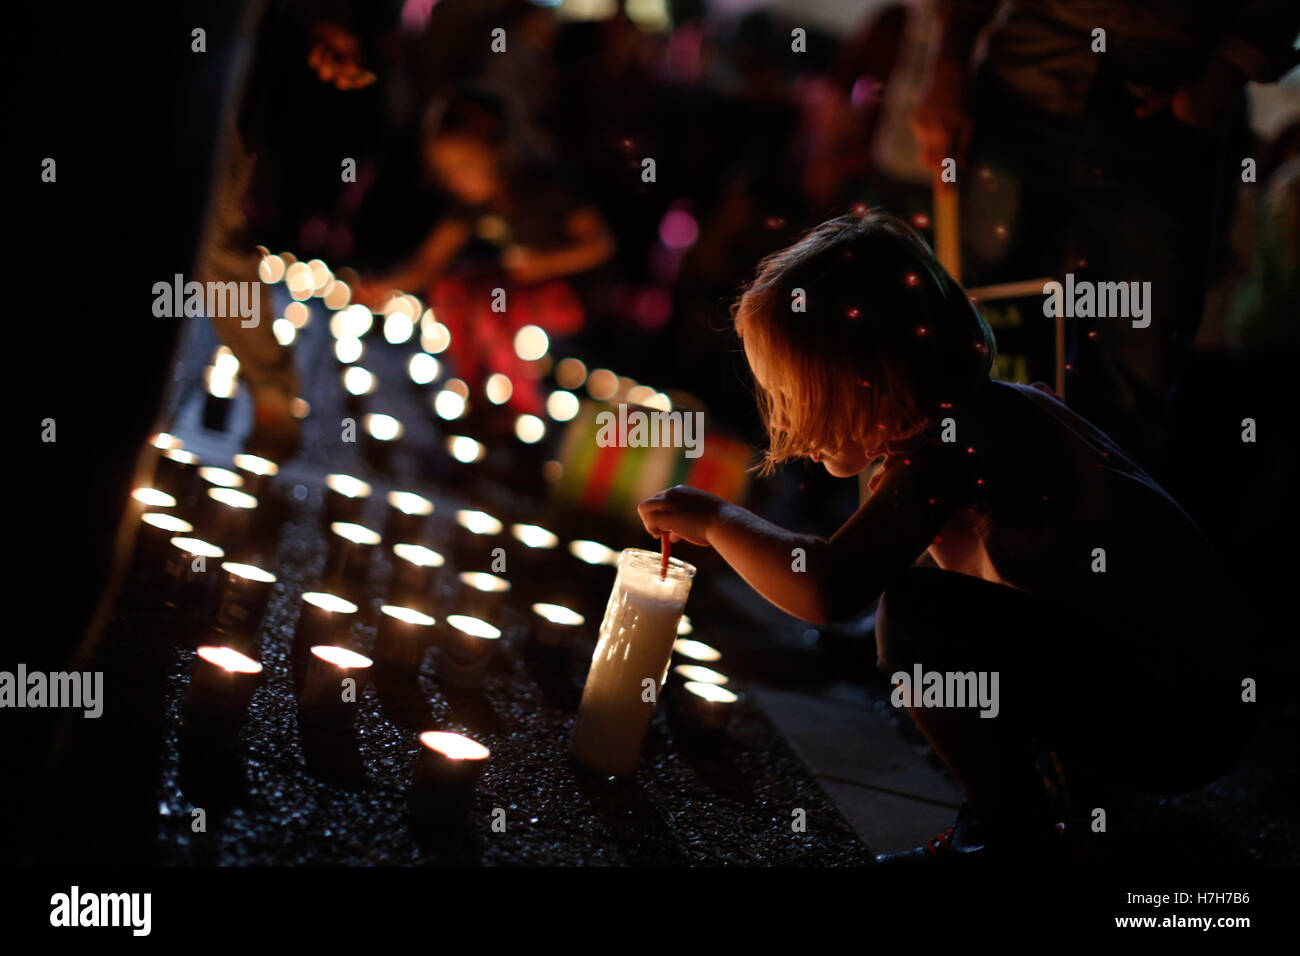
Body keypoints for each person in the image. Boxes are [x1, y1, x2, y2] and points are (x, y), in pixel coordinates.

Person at [637, 212, 1256, 863]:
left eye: (795, 391)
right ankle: (1071, 814)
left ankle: (1013, 832)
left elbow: (830, 585)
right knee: (962, 615)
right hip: (1181, 694)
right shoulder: (985, 414)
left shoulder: (951, 444)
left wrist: (716, 521)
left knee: (919, 616)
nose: (786, 415)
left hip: (1184, 714)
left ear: (863, 373)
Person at [910, 0, 1300, 477]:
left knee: (1133, 386)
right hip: (1026, 86)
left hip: (1169, 111)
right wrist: (948, 63)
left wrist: (1227, 70)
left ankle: (1089, 540)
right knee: (966, 346)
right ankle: (956, 523)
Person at [355, 87, 614, 405]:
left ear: (499, 151)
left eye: (464, 167)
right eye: (445, 172)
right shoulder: (470, 203)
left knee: (491, 307)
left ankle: (520, 407)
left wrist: (546, 263)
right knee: (450, 290)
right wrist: (386, 287)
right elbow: (431, 262)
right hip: (524, 287)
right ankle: (476, 394)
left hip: (572, 296)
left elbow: (601, 245)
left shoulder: (547, 188)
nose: (454, 181)